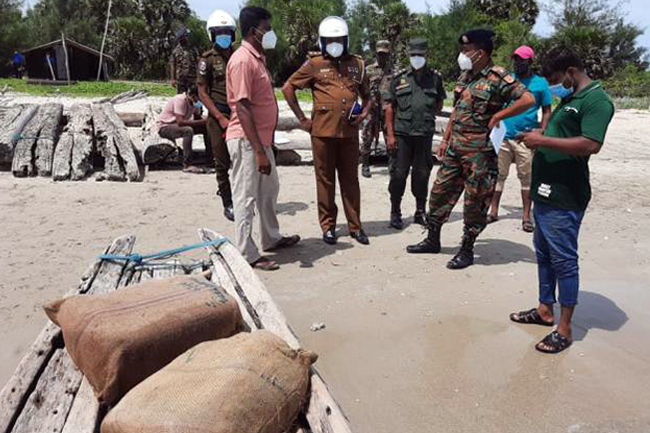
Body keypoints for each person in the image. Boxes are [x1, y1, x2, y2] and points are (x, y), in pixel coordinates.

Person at [510, 47, 615, 354]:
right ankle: (545, 310)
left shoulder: (597, 100)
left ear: (571, 71)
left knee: (564, 261)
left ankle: (565, 328)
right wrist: (540, 132)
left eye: (556, 79)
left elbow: (590, 144)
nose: (554, 85)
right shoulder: (570, 99)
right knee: (544, 254)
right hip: (545, 191)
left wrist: (542, 140)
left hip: (566, 195)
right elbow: (561, 132)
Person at [406, 29, 535, 269]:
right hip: (455, 147)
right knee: (439, 193)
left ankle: (467, 249)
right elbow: (457, 111)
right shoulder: (465, 76)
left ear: (481, 53)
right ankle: (432, 239)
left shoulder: (498, 77)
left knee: (475, 201)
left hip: (479, 152)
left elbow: (528, 100)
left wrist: (500, 114)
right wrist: (445, 140)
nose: (462, 54)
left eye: (466, 50)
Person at [282, 16, 373, 246]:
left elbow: (368, 96)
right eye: (330, 40)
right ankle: (328, 227)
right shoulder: (314, 64)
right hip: (322, 133)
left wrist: (363, 115)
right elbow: (288, 87)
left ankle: (355, 226)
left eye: (339, 40)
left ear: (346, 40)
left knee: (351, 180)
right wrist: (302, 119)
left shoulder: (357, 64)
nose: (335, 44)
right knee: (325, 181)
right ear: (322, 42)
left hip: (349, 134)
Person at [225, 6, 300, 271]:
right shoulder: (243, 60)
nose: (270, 33)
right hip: (247, 141)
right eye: (267, 28)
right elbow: (242, 106)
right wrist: (257, 151)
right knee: (245, 196)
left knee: (269, 190)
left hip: (261, 140)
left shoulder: (257, 58)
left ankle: (271, 237)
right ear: (253, 30)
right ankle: (247, 253)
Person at [487, 45, 552, 233]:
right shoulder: (508, 81)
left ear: (530, 61)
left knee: (526, 178)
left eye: (521, 60)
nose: (518, 63)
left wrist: (542, 132)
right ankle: (493, 211)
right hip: (504, 136)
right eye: (515, 59)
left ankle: (526, 216)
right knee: (498, 175)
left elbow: (547, 110)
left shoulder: (540, 83)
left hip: (525, 137)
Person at [385, 38, 446, 230]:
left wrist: (425, 115)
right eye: (414, 55)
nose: (417, 58)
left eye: (420, 55)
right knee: (398, 174)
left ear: (426, 55)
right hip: (402, 135)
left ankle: (420, 212)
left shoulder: (435, 78)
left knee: (422, 174)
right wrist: (390, 135)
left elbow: (439, 104)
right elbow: (389, 108)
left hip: (424, 134)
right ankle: (395, 212)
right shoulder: (399, 78)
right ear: (409, 56)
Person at [198, 9, 237, 222]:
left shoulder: (238, 55)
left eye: (227, 32)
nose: (224, 36)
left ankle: (242, 199)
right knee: (222, 161)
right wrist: (221, 118)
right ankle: (227, 202)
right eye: (219, 32)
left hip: (239, 114)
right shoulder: (207, 60)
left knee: (241, 160)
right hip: (218, 114)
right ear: (212, 35)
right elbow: (202, 92)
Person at [360, 40, 393, 178]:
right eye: (380, 54)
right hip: (371, 108)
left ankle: (392, 164)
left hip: (387, 108)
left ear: (388, 54)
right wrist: (366, 103)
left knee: (389, 135)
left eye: (384, 54)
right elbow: (361, 88)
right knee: (367, 135)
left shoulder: (394, 70)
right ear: (376, 54)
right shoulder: (368, 70)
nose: (382, 57)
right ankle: (366, 164)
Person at [157, 85, 208, 173]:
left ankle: (210, 158)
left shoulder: (195, 103)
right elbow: (180, 122)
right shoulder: (180, 100)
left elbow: (197, 118)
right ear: (192, 95)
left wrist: (206, 123)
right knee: (188, 131)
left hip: (177, 126)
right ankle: (187, 164)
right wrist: (203, 122)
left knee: (206, 129)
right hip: (165, 127)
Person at [170, 27, 198, 94]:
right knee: (181, 98)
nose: (187, 38)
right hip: (181, 78)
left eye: (187, 36)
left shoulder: (193, 49)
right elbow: (173, 65)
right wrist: (173, 79)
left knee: (193, 97)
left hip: (192, 78)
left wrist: (199, 77)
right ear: (181, 38)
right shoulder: (176, 51)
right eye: (185, 36)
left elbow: (198, 62)